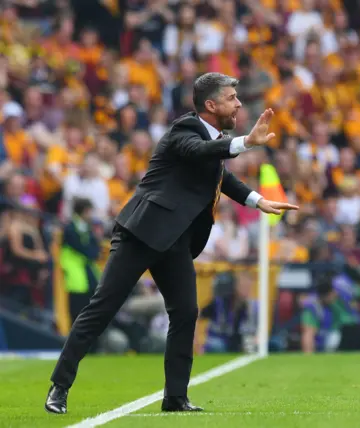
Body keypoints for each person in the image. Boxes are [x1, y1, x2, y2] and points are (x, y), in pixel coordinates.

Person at [45, 72, 298, 414]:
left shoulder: (212, 137)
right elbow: (201, 152)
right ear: (210, 105)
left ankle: (175, 397)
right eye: (231, 98)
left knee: (185, 312)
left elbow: (220, 175)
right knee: (102, 308)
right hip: (143, 233)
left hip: (175, 239)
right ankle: (59, 387)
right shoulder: (185, 130)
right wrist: (245, 143)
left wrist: (256, 200)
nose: (238, 104)